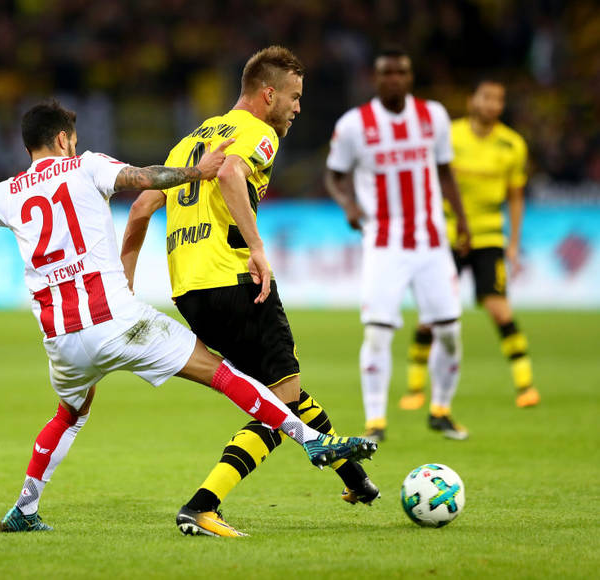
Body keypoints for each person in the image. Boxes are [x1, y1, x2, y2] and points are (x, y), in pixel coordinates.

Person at [0, 99, 377, 533]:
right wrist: (198, 170)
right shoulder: (87, 165)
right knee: (221, 372)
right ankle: (312, 440)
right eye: (71, 139)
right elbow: (146, 179)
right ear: (63, 140)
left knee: (69, 413)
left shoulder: (7, 193)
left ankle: (25, 508)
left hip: (61, 339)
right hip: (120, 322)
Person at [121, 46, 380, 539]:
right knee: (280, 396)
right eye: (294, 97)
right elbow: (230, 173)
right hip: (235, 278)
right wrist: (257, 248)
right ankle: (203, 504)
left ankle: (355, 479)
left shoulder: (190, 141)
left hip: (190, 291)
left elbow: (139, 210)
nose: (297, 108)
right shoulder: (259, 133)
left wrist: (122, 286)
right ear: (267, 94)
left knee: (283, 387)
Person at [324, 47, 472, 442]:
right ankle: (375, 421)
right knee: (377, 333)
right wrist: (348, 204)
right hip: (384, 244)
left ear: (410, 77)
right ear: (376, 79)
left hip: (432, 242)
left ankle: (441, 410)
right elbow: (334, 175)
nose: (394, 79)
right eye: (387, 73)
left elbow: (445, 171)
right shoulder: (354, 125)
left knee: (449, 331)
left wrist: (462, 220)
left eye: (401, 72)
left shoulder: (433, 116)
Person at [400, 79, 539, 410]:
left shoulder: (512, 144)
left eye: (498, 99)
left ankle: (525, 385)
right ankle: (415, 389)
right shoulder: (449, 135)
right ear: (471, 100)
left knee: (499, 309)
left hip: (488, 236)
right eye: (486, 97)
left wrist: (514, 243)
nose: (492, 104)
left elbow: (516, 197)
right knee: (430, 314)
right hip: (446, 235)